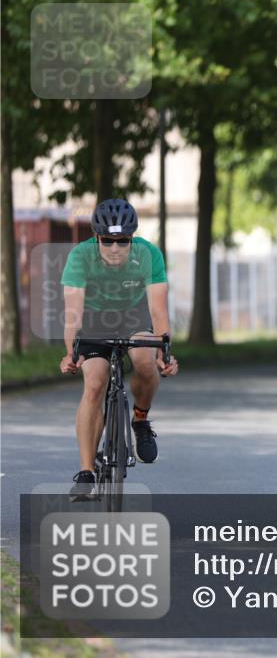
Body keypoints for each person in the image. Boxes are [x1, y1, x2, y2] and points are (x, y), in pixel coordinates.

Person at [59, 199, 179, 499]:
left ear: (132, 237)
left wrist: (165, 351)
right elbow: (73, 312)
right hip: (93, 319)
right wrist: (70, 353)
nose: (115, 248)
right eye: (108, 241)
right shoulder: (80, 256)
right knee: (95, 383)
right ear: (97, 237)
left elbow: (159, 310)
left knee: (145, 361)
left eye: (122, 241)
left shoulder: (149, 254)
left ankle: (139, 420)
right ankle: (86, 471)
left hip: (134, 314)